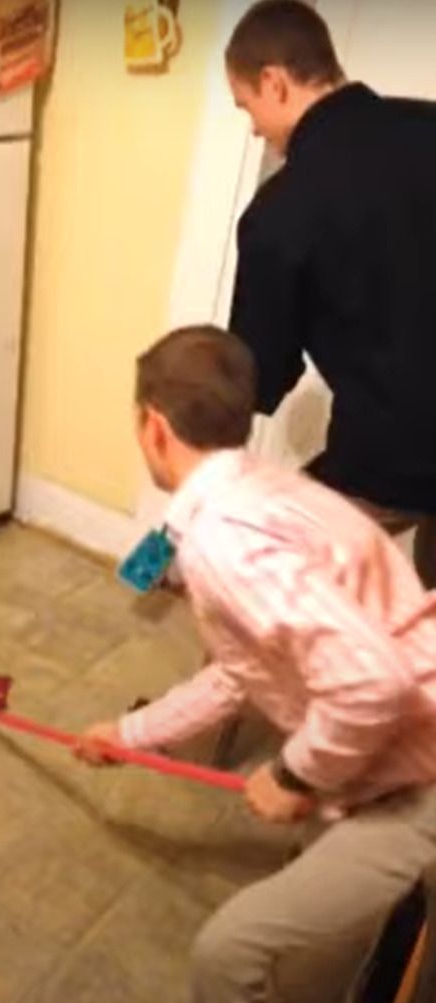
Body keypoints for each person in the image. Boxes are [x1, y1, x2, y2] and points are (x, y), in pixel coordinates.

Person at [75, 324, 436, 1003]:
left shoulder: (224, 542)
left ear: (153, 427)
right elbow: (240, 674)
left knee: (228, 957)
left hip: (415, 776)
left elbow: (370, 681)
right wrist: (129, 733)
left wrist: (294, 774)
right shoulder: (271, 488)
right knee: (307, 948)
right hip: (379, 760)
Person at [224, 0, 436, 587]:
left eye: (246, 106)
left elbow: (261, 372)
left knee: (266, 570)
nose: (253, 128)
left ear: (275, 82)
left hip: (393, 456)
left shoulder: (280, 212)